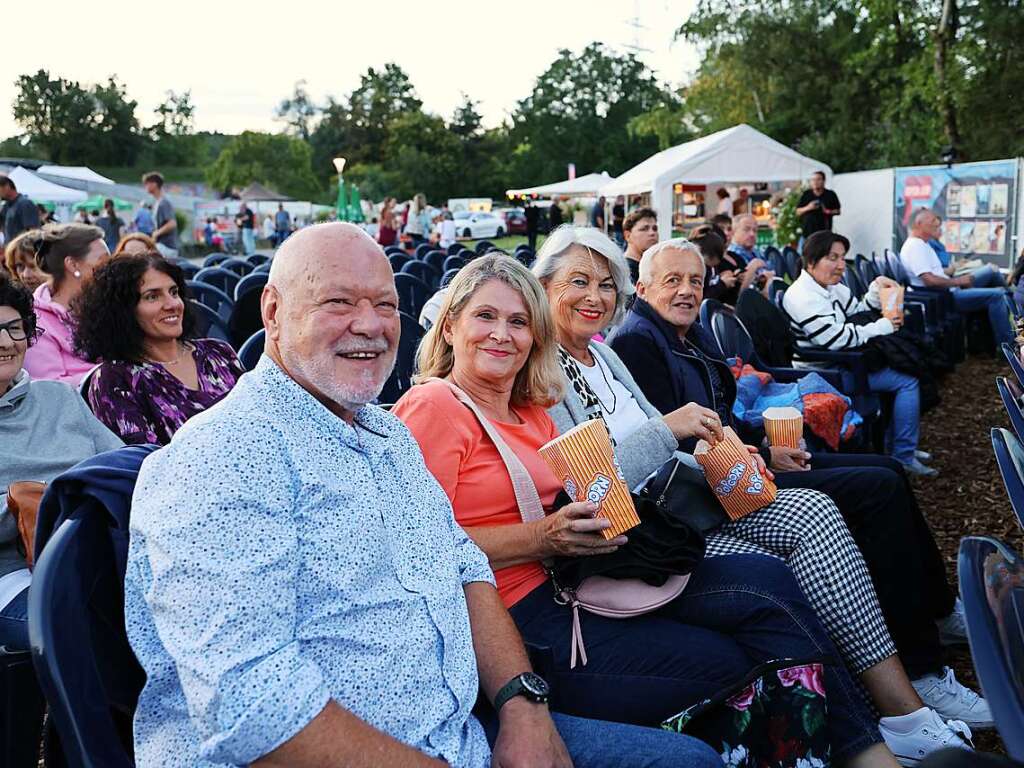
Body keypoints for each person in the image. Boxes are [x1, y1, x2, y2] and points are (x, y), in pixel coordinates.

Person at [123, 222, 723, 768]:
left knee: (693, 759)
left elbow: (463, 568)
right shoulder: (225, 455)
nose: (370, 325)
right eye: (339, 302)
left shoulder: (385, 435)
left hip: (462, 731)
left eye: (385, 305)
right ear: (273, 311)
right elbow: (251, 703)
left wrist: (523, 705)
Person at [394, 253, 903, 767]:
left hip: (584, 578)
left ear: (534, 336)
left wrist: (701, 467)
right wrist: (543, 538)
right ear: (452, 324)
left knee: (765, 582)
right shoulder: (434, 407)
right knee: (730, 660)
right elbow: (418, 550)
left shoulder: (532, 409)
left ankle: (862, 747)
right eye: (486, 317)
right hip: (522, 619)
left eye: (518, 321)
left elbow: (591, 490)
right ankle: (827, 749)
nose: (502, 334)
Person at [542, 229, 982, 755]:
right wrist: (673, 432)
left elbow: (674, 444)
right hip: (645, 535)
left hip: (686, 502)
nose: (596, 296)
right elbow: (592, 480)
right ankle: (888, 717)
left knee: (818, 508)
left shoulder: (604, 358)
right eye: (579, 282)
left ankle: (902, 708)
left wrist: (728, 458)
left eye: (605, 284)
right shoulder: (550, 374)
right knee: (787, 559)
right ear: (544, 287)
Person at [0, 274, 123, 651]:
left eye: (14, 328)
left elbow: (120, 466)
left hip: (99, 557)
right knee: (86, 634)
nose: (5, 342)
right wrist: (48, 500)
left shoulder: (58, 397)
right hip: (15, 574)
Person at [783, 231, 935, 475]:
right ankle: (904, 455)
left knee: (907, 369)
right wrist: (882, 326)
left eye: (843, 258)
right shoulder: (802, 295)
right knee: (907, 380)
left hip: (848, 362)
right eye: (833, 258)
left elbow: (857, 312)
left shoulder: (831, 287)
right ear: (811, 261)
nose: (841, 265)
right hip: (824, 373)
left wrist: (875, 291)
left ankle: (896, 446)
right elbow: (835, 339)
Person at [74, 253, 245, 446]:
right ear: (123, 310)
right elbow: (138, 462)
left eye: (174, 292)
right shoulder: (116, 379)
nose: (172, 304)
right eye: (152, 296)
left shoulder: (219, 353)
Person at [900, 208, 1014, 348]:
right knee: (997, 295)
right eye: (932, 221)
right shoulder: (915, 247)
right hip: (946, 296)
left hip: (949, 288)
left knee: (991, 271)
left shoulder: (922, 244)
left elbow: (935, 273)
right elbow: (929, 280)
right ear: (919, 224)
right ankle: (1009, 347)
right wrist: (959, 281)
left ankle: (1014, 307)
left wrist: (955, 271)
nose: (937, 224)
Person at [23, 223, 109, 384]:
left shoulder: (111, 305)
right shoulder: (36, 321)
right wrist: (112, 375)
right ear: (72, 264)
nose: (111, 268)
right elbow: (49, 387)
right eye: (104, 262)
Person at [142, 172, 179, 259]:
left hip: (166, 247)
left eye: (147, 184)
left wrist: (156, 234)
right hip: (162, 246)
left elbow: (172, 223)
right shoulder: (158, 203)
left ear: (154, 184)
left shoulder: (164, 203)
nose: (145, 187)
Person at [796, 171, 841, 239]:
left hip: (824, 232)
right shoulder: (806, 194)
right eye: (813, 180)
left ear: (824, 181)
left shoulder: (830, 194)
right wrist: (809, 207)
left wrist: (827, 211)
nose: (815, 182)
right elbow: (798, 212)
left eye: (818, 179)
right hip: (807, 233)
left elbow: (838, 211)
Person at [0, 174, 41, 244]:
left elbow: (33, 231)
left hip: (22, 251)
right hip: (10, 250)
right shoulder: (6, 206)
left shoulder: (25, 203)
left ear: (7, 186)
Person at [622, 207, 659, 284]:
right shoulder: (625, 271)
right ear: (628, 236)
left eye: (655, 229)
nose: (652, 233)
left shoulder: (652, 267)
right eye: (644, 229)